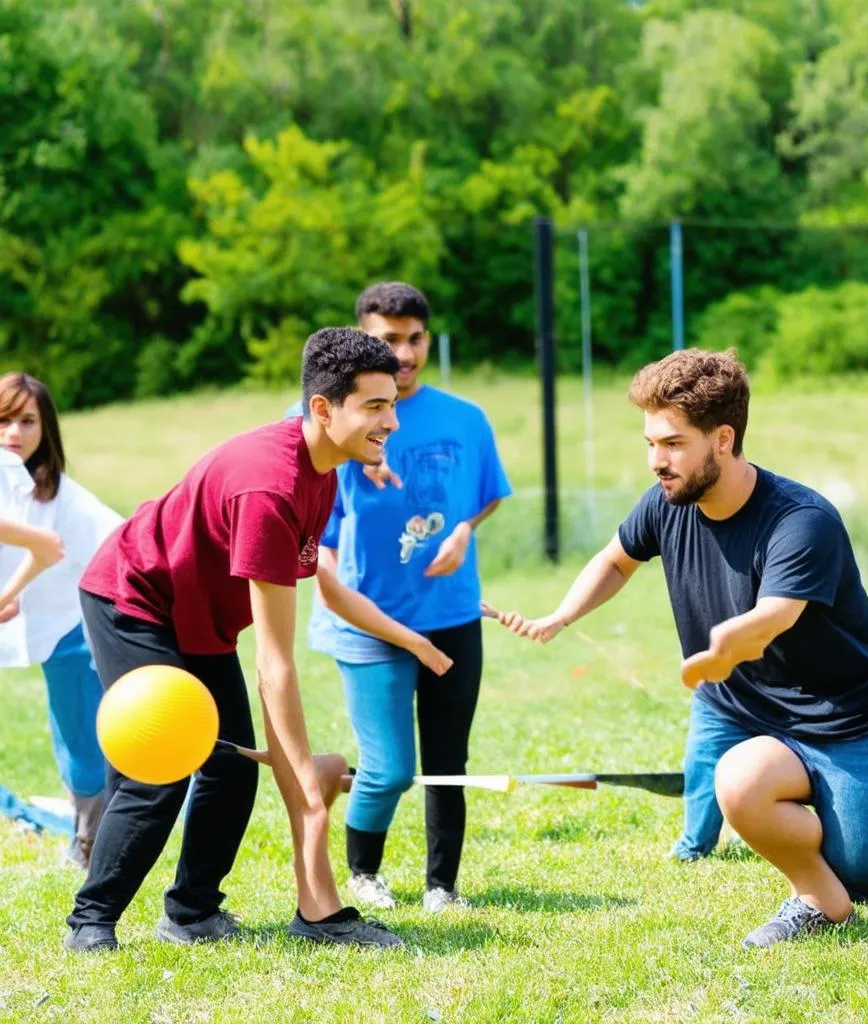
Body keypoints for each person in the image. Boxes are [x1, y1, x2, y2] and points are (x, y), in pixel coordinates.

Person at [490, 348, 868, 948]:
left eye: (671, 444)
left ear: (723, 438)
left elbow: (773, 616)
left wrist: (724, 646)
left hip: (860, 722)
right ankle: (822, 902)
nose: (655, 462)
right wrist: (561, 615)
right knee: (738, 782)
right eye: (649, 443)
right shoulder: (668, 503)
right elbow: (616, 560)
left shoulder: (800, 520)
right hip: (771, 720)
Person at [64, 327, 453, 953]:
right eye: (376, 407)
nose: (393, 423)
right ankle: (91, 921)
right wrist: (306, 786)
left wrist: (300, 776)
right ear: (324, 409)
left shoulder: (322, 472)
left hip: (199, 618)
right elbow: (275, 665)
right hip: (131, 598)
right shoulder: (270, 487)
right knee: (161, 765)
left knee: (229, 770)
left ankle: (190, 913)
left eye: (394, 404)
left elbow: (289, 616)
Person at [295, 283, 511, 913]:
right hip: (369, 621)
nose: (407, 351)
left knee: (449, 762)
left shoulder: (466, 418)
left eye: (416, 337)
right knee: (388, 767)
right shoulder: (336, 421)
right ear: (364, 339)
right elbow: (299, 458)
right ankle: (363, 872)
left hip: (451, 614)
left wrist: (466, 528)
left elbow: (487, 491)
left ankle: (442, 887)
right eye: (389, 339)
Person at [0, 374, 123, 867]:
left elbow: (56, 549)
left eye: (27, 421)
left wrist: (9, 595)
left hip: (71, 622)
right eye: (4, 419)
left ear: (45, 428)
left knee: (82, 742)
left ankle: (88, 837)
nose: (14, 432)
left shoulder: (63, 498)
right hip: (27, 613)